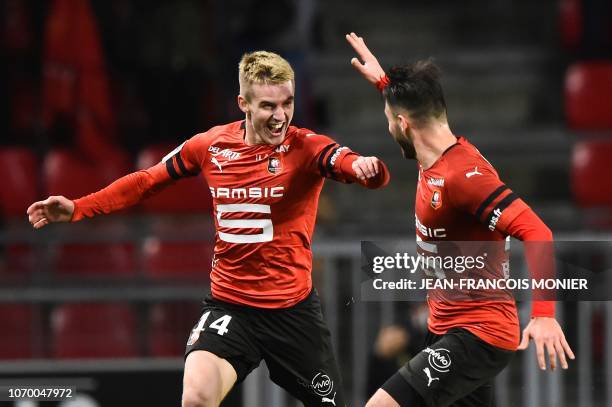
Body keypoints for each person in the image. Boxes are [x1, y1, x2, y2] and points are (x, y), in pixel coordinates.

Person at [27, 50, 391, 407]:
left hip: (292, 314)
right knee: (197, 397)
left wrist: (365, 168)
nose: (280, 117)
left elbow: (344, 161)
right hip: (230, 307)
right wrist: (78, 207)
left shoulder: (306, 146)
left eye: (288, 103)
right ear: (243, 103)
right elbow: (145, 182)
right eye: (268, 106)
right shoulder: (211, 146)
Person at [345, 33, 575, 407]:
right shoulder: (432, 154)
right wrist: (386, 85)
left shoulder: (462, 177)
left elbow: (537, 231)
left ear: (404, 125)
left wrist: (545, 314)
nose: (389, 129)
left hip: (477, 333)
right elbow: (410, 111)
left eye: (390, 121)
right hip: (446, 328)